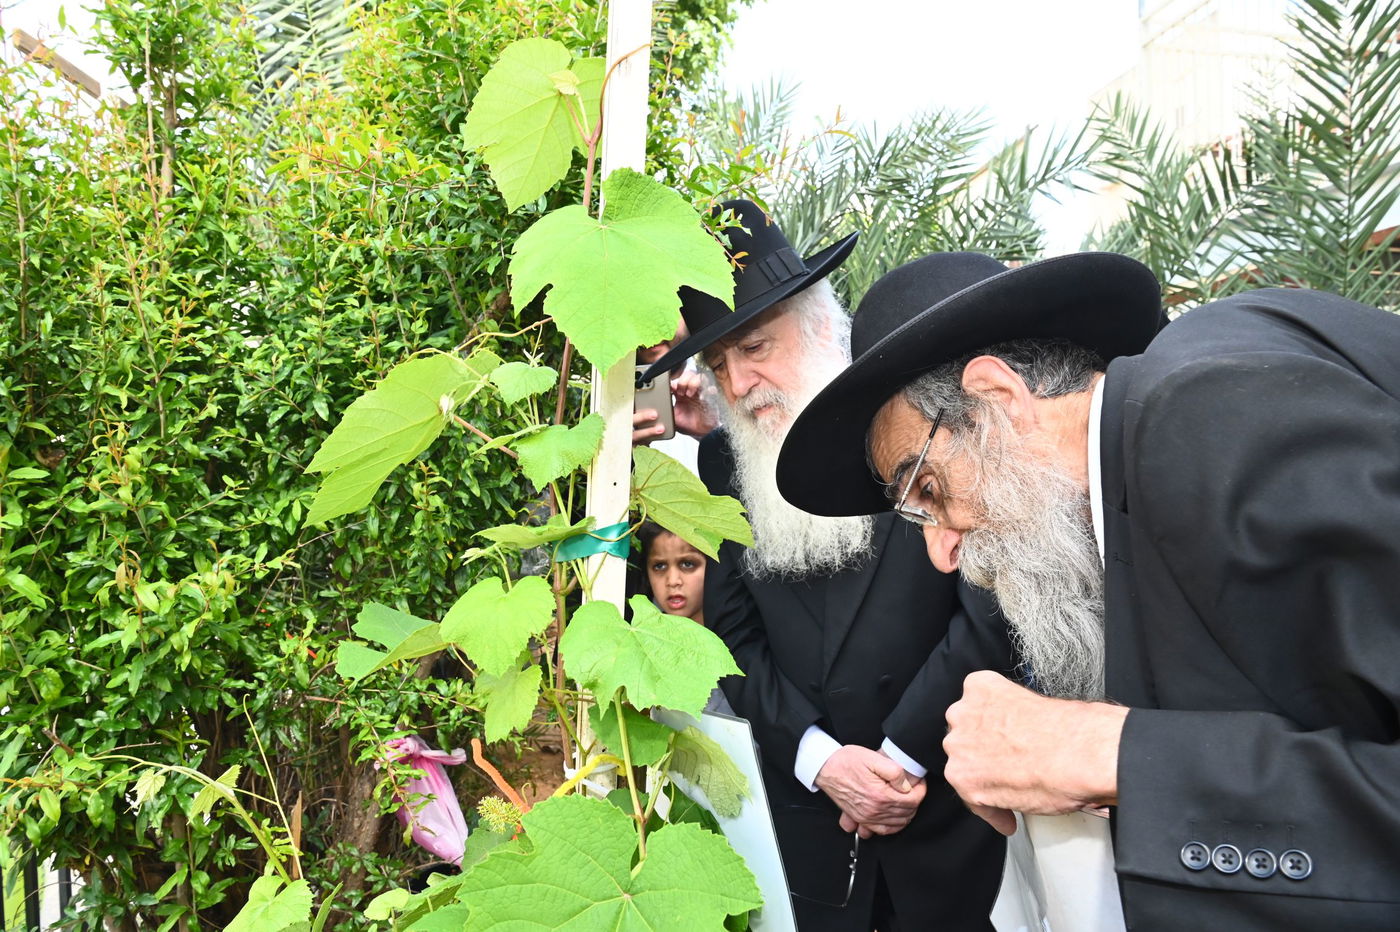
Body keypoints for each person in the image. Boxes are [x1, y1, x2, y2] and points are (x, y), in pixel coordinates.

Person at [774, 250, 1400, 929]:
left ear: (1000, 402)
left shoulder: (1209, 417)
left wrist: (1106, 754)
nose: (943, 550)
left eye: (928, 490)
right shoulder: (1138, 478)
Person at [639, 206, 1013, 931]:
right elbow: (732, 642)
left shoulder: (917, 421)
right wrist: (822, 762)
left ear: (820, 327)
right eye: (719, 365)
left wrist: (901, 757)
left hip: (946, 811)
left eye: (755, 347)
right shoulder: (723, 462)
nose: (740, 383)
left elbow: (988, 606)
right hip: (811, 824)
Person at [635, 521, 732, 715]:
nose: (673, 581)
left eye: (687, 564)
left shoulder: (741, 638)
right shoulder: (637, 644)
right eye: (659, 566)